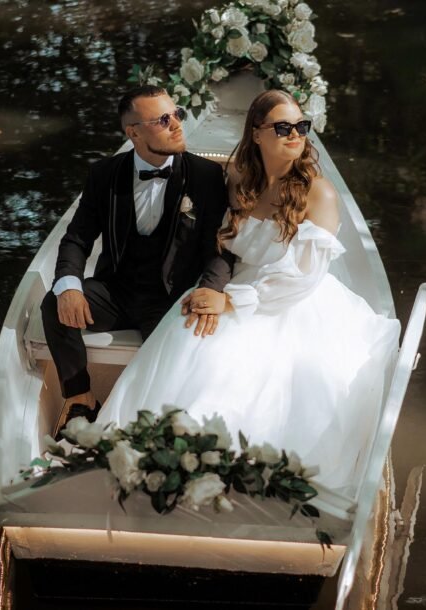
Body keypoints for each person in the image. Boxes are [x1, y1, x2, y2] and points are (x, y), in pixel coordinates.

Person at [95, 89, 401, 494]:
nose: (295, 135)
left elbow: (304, 278)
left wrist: (232, 300)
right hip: (239, 285)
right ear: (256, 134)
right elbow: (220, 244)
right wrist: (214, 290)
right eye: (283, 127)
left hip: (291, 299)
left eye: (301, 127)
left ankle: (230, 472)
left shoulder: (318, 192)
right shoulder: (238, 174)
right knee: (187, 331)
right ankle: (163, 456)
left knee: (254, 369)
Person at [41, 85, 233, 439]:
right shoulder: (105, 174)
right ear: (133, 132)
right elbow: (77, 239)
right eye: (163, 120)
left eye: (177, 114)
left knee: (181, 362)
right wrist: (69, 285)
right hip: (117, 291)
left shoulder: (206, 177)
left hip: (173, 299)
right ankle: (81, 398)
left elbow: (220, 249)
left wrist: (210, 289)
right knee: (54, 303)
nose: (177, 125)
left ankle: (158, 424)